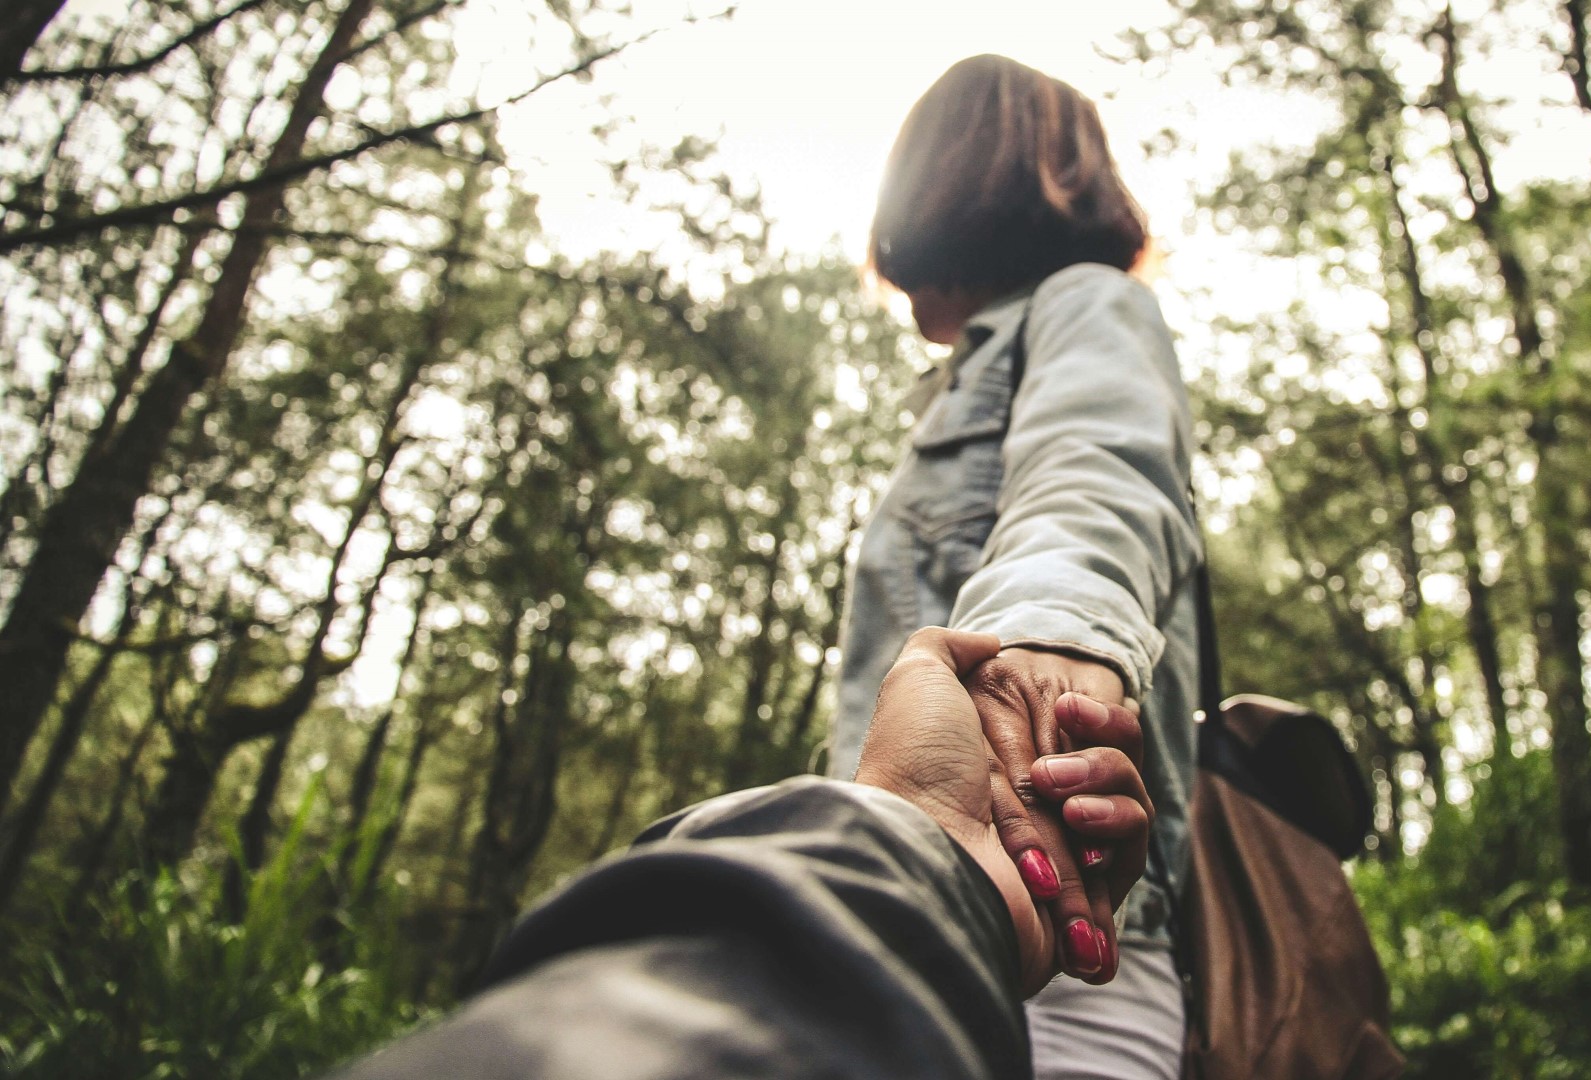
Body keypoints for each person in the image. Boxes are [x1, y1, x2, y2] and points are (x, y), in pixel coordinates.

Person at [829, 54, 1203, 1079]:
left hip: (1061, 925)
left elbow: (1097, 478)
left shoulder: (1089, 306)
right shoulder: (948, 392)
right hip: (904, 910)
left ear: (949, 179)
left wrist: (1035, 660)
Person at [329, 628, 1155, 1080]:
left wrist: (1053, 650)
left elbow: (1086, 475)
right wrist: (935, 844)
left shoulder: (1065, 312)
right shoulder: (939, 387)